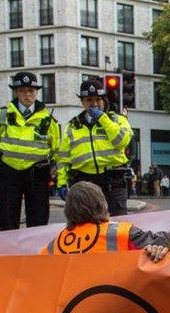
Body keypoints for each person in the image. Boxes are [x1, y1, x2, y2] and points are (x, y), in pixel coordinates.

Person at [0, 72, 61, 231]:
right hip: (9, 172)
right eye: (22, 91)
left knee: (38, 219)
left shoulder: (48, 120)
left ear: (36, 92)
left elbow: (56, 149)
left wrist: (55, 170)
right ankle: (10, 252)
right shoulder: (1, 115)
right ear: (15, 92)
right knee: (7, 217)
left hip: (37, 173)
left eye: (31, 91)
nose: (27, 95)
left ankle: (34, 253)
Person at [57, 78, 133, 216]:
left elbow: (122, 141)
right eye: (89, 100)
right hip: (84, 181)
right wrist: (61, 182)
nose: (94, 104)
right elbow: (63, 157)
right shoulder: (73, 125)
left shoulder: (118, 119)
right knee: (86, 223)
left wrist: (103, 119)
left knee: (119, 222)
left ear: (104, 100)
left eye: (98, 99)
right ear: (83, 103)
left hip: (113, 179)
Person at [40, 182, 167, 254]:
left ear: (67, 209)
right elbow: (162, 241)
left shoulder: (52, 246)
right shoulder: (121, 232)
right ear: (102, 205)